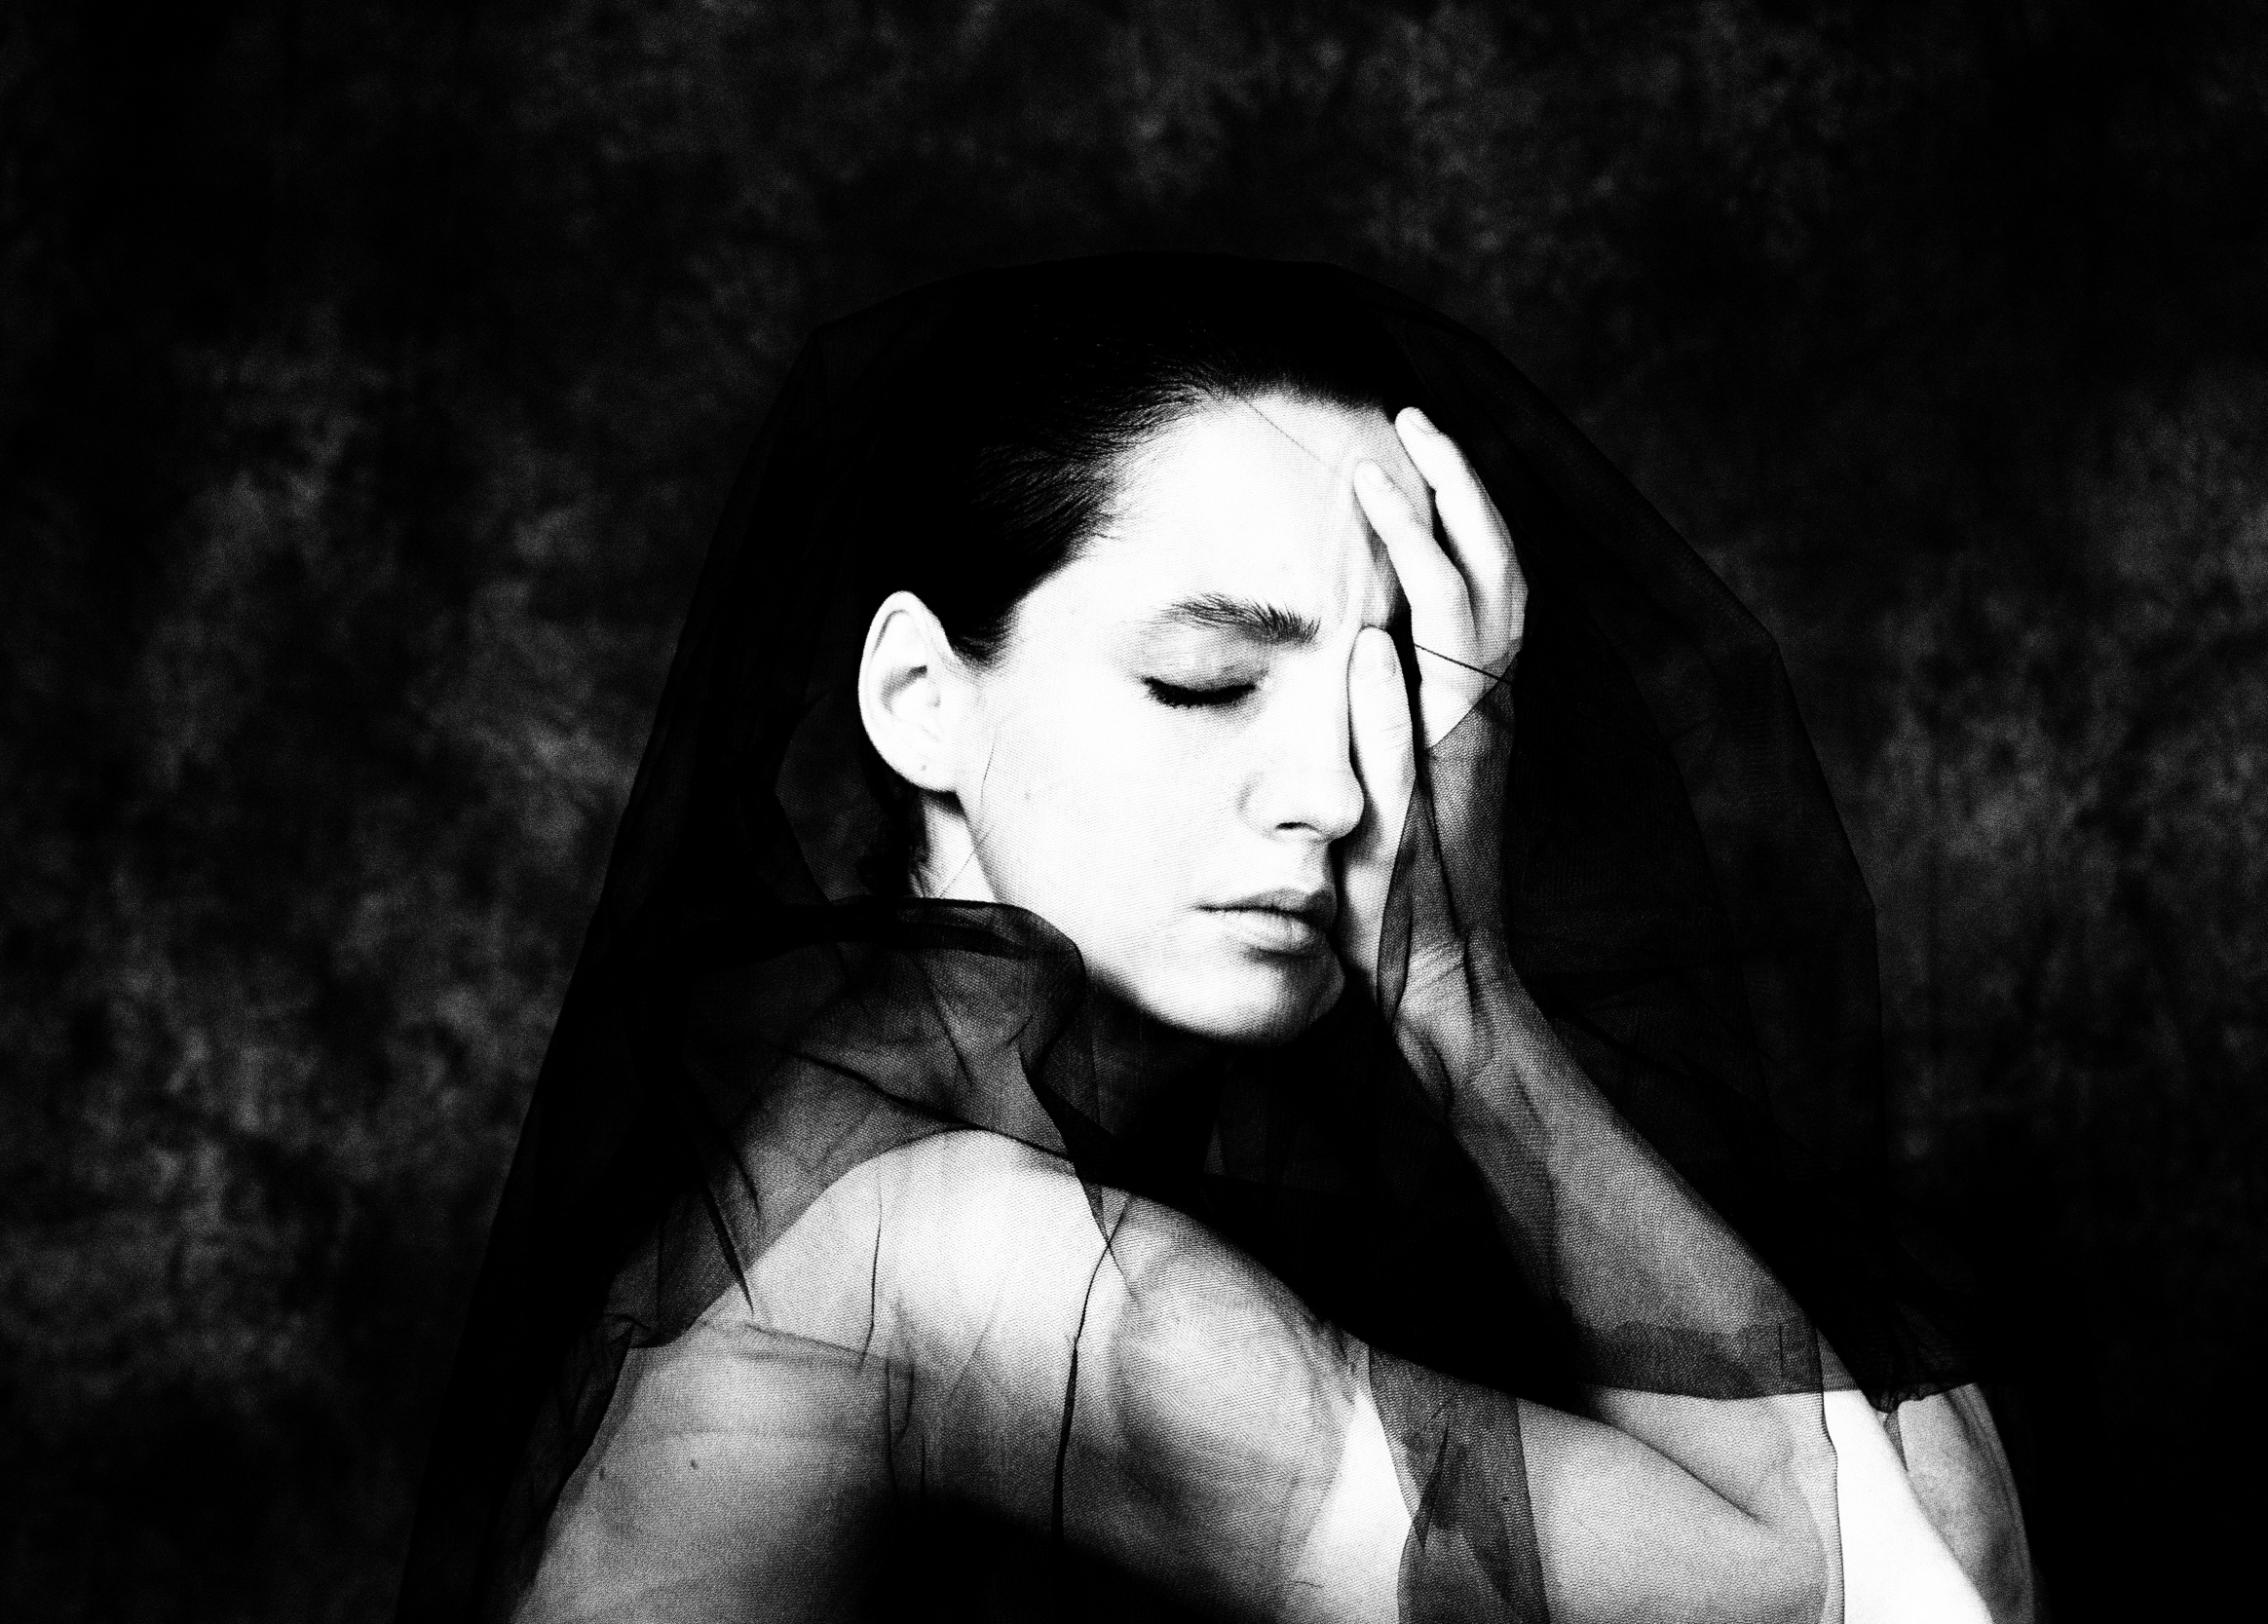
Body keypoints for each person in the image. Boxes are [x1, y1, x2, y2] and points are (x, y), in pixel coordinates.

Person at [395, 254, 2037, 1624]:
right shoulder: (937, 1251)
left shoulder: (1043, 1162)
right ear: (919, 699)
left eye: (1390, 695)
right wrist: (1461, 1002)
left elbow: (1928, 1519)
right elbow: (1899, 1598)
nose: (1336, 791)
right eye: (1206, 683)